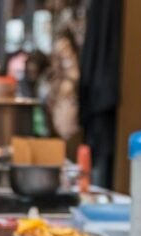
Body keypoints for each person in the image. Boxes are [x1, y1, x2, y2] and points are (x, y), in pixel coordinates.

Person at [46, 30, 81, 158]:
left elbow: (74, 75)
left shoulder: (72, 77)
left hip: (71, 131)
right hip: (56, 130)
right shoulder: (54, 77)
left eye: (66, 49)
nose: (62, 53)